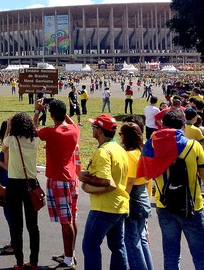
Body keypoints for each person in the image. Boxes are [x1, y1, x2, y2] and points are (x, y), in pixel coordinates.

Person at [137, 109, 204, 269]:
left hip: (164, 205)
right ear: (183, 126)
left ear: (163, 126)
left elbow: (145, 174)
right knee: (200, 255)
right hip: (192, 206)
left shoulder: (150, 145)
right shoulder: (193, 146)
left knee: (171, 255)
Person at [79, 114, 129, 270]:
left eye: (94, 127)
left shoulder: (103, 151)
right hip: (120, 205)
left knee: (90, 246)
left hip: (103, 207)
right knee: (117, 247)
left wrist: (84, 179)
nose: (92, 129)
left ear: (99, 130)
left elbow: (106, 181)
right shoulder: (119, 149)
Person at [35, 99, 80, 270]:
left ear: (51, 115)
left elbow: (33, 131)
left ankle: (68, 260)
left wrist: (38, 111)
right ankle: (70, 253)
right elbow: (70, 121)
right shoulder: (74, 129)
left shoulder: (51, 132)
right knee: (72, 217)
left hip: (58, 179)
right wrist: (61, 110)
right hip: (72, 178)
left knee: (65, 220)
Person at [3, 112, 41, 270]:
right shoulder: (34, 140)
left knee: (17, 225)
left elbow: (3, 148)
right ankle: (33, 262)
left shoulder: (11, 140)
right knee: (33, 226)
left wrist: (9, 126)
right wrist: (35, 117)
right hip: (31, 183)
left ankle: (19, 262)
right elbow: (35, 129)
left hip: (14, 184)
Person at [119, 118, 153, 270]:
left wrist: (122, 202)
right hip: (144, 195)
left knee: (131, 242)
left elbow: (130, 182)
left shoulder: (129, 155)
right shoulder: (142, 151)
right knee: (140, 240)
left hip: (134, 199)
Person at [0, 121, 15, 256]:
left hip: (8, 180)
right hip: (13, 181)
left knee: (10, 215)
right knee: (12, 215)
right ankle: (14, 242)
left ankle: (14, 244)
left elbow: (7, 166)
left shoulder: (8, 145)